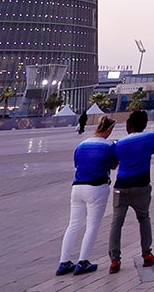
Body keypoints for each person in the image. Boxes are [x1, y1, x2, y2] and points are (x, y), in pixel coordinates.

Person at [56, 116, 117, 276]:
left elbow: (77, 164)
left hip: (77, 187)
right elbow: (113, 164)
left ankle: (64, 262)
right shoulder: (109, 145)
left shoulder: (81, 145)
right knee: (92, 225)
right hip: (97, 187)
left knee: (73, 224)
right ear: (109, 130)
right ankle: (83, 262)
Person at [107, 109, 154, 275]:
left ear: (129, 125)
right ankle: (147, 254)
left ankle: (115, 260)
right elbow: (153, 150)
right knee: (144, 218)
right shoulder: (152, 137)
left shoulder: (118, 144)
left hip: (121, 186)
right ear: (144, 124)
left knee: (117, 222)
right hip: (142, 185)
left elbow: (113, 164)